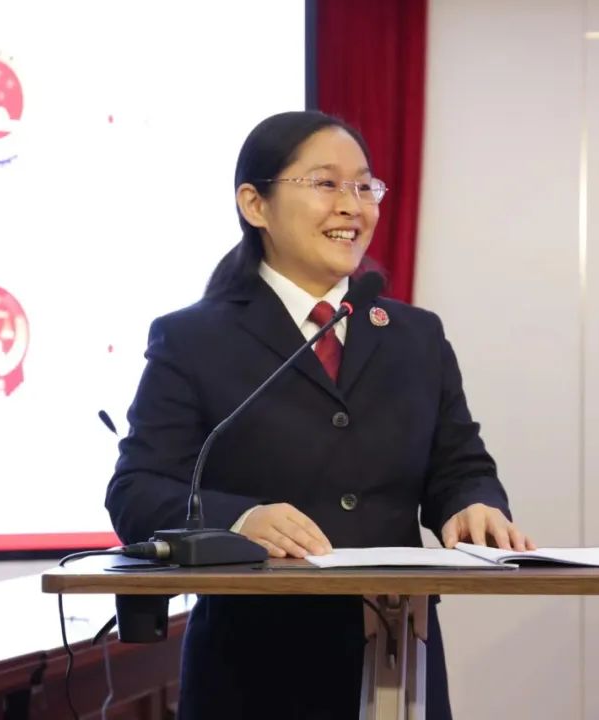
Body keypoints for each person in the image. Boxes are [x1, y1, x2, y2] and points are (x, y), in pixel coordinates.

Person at [105, 110, 534, 720]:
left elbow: (460, 467)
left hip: (398, 664)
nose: (352, 206)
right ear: (255, 204)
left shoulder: (415, 336)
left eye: (364, 186)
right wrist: (240, 520)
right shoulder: (193, 340)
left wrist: (473, 504)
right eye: (326, 183)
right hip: (253, 674)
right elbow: (137, 492)